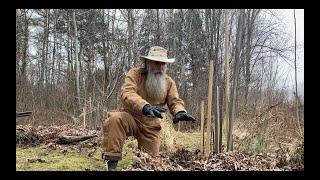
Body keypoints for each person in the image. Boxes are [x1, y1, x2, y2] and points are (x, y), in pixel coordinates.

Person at [101, 46, 197, 171]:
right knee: (115, 119)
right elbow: (127, 93)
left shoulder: (168, 82)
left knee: (151, 162)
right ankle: (111, 167)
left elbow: (175, 101)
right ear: (147, 62)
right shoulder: (134, 74)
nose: (160, 68)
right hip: (131, 116)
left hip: (151, 125)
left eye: (163, 64)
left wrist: (180, 111)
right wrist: (145, 106)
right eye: (157, 63)